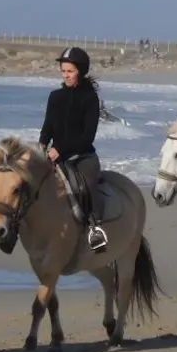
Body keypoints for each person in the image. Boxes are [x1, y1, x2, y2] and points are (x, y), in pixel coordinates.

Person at [39, 46, 107, 252]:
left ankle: (95, 228)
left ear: (81, 71)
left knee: (84, 187)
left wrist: (60, 149)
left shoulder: (90, 99)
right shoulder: (55, 97)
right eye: (63, 71)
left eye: (70, 71)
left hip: (83, 156)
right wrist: (42, 144)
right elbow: (48, 125)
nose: (66, 75)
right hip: (55, 156)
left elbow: (87, 136)